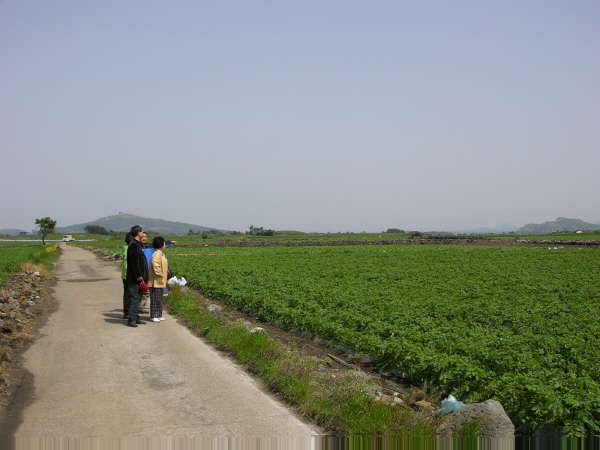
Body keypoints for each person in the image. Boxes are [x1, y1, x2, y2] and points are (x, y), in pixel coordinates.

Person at [125, 225, 149, 327]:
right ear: (138, 233)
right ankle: (131, 320)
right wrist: (138, 275)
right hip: (135, 278)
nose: (143, 233)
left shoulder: (137, 244)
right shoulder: (133, 244)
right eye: (142, 231)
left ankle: (136, 317)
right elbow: (135, 262)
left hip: (139, 277)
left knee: (138, 298)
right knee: (135, 298)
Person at [148, 236, 168, 322]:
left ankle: (159, 314)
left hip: (160, 280)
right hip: (156, 280)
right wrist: (159, 273)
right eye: (164, 243)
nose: (165, 245)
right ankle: (154, 315)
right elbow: (155, 265)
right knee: (155, 299)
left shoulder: (160, 253)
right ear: (161, 244)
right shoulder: (156, 254)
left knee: (159, 299)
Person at [121, 232, 134, 319]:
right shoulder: (130, 249)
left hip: (125, 274)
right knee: (130, 294)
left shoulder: (125, 248)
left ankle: (127, 312)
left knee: (127, 294)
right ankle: (128, 312)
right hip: (129, 274)